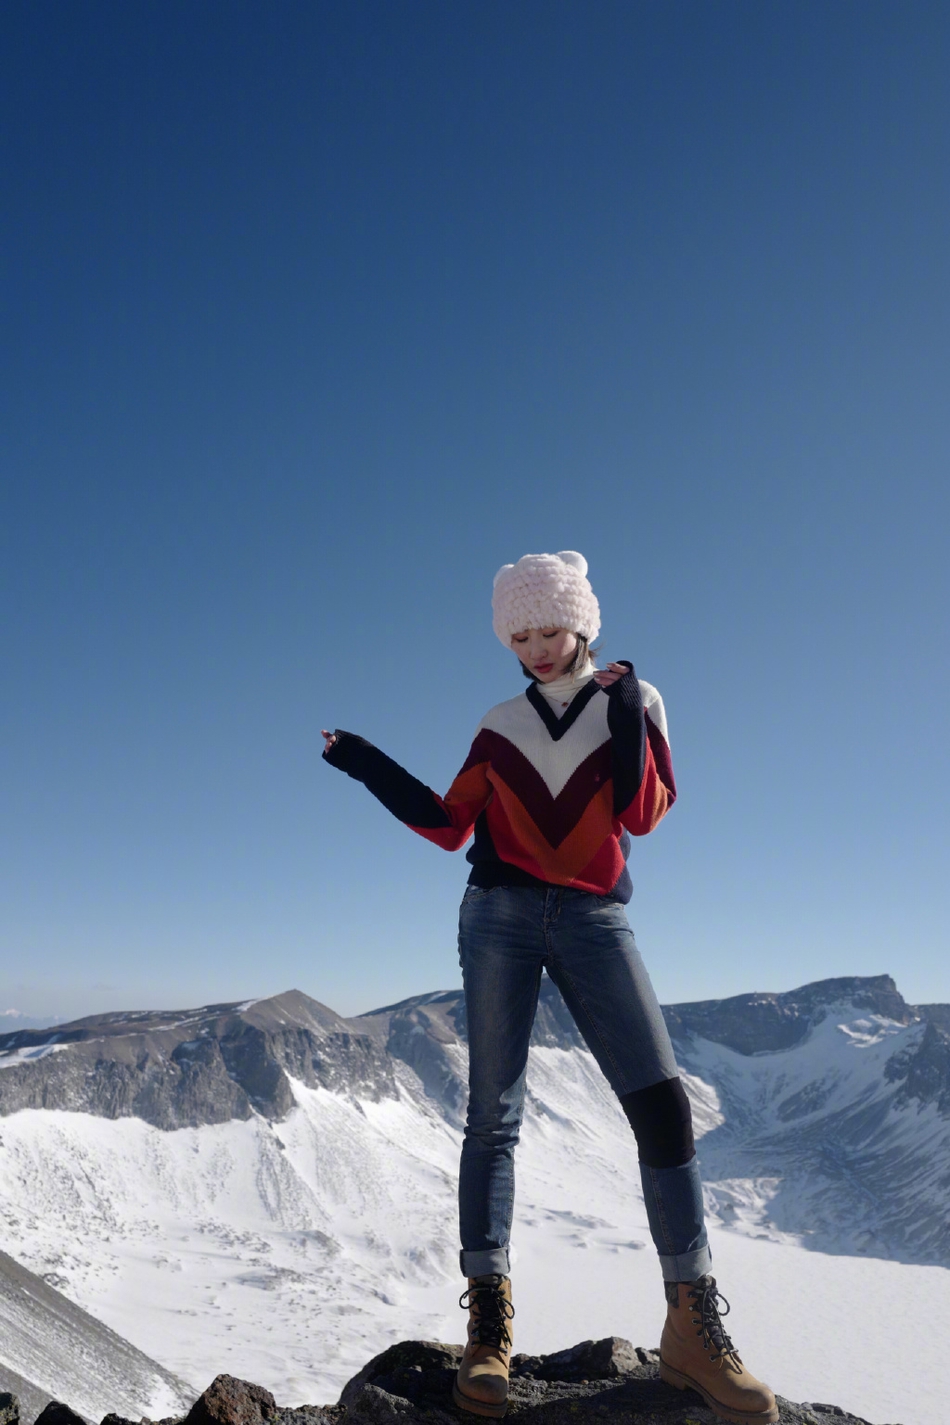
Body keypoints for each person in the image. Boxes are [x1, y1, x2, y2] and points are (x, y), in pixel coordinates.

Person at [322, 551, 777, 1425]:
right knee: (493, 1114)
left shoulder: (633, 703)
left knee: (663, 1108)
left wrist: (629, 706)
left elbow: (644, 812)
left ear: (584, 623)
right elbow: (449, 825)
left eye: (548, 628)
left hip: (596, 918)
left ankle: (691, 1325)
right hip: (495, 914)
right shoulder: (498, 723)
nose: (533, 647)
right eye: (517, 633)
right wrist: (365, 761)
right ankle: (488, 1324)